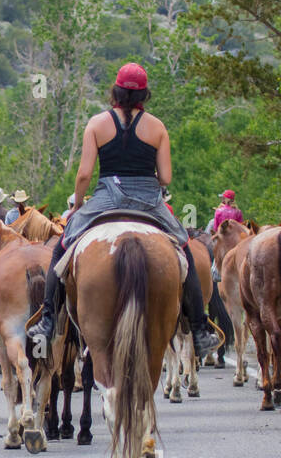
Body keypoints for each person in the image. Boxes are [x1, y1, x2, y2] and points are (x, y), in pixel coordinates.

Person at [27, 63, 219, 357]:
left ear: (114, 90)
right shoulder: (157, 127)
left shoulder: (96, 124)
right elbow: (165, 178)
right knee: (185, 249)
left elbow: (83, 175)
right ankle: (198, 326)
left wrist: (78, 206)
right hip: (149, 200)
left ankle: (49, 318)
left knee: (62, 247)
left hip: (106, 196)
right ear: (145, 93)